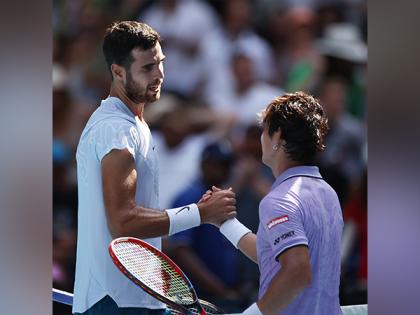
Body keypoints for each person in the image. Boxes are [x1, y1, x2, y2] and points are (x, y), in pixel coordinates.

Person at [72, 21, 236, 315]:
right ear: (117, 72)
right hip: (114, 303)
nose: (159, 74)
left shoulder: (134, 125)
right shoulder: (114, 130)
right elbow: (123, 222)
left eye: (160, 64)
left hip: (137, 299)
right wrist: (200, 214)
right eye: (147, 68)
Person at [210, 92, 343, 315]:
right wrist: (225, 223)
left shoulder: (279, 200)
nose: (261, 137)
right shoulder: (328, 193)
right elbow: (274, 255)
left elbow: (298, 271)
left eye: (264, 130)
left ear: (278, 136)